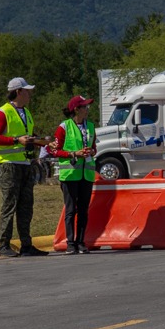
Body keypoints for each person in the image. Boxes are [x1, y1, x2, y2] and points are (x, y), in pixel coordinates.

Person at [0, 77, 49, 258]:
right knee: (10, 205)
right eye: (27, 91)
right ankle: (4, 245)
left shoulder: (26, 113)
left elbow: (29, 135)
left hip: (25, 164)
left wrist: (42, 142)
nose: (30, 94)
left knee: (26, 206)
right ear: (18, 92)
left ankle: (26, 245)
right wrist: (17, 140)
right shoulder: (2, 113)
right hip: (7, 166)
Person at [48, 96, 98, 254]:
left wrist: (91, 151)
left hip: (87, 175)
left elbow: (94, 147)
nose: (87, 110)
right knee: (71, 210)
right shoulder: (64, 127)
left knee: (84, 209)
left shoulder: (90, 126)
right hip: (70, 174)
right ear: (76, 109)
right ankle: (70, 242)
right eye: (84, 107)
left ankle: (81, 241)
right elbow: (54, 150)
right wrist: (74, 154)